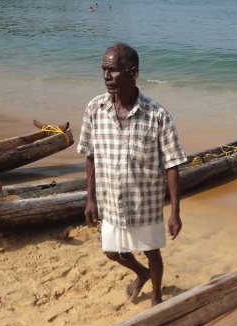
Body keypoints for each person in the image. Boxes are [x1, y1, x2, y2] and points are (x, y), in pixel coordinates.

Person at [77, 42, 187, 307]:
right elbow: (90, 155)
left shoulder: (157, 115)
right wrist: (90, 199)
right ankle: (142, 274)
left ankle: (157, 296)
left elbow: (172, 165)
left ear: (133, 72)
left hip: (145, 201)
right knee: (112, 252)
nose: (106, 77)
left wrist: (174, 212)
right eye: (104, 70)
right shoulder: (95, 109)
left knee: (152, 251)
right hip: (110, 200)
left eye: (113, 71)